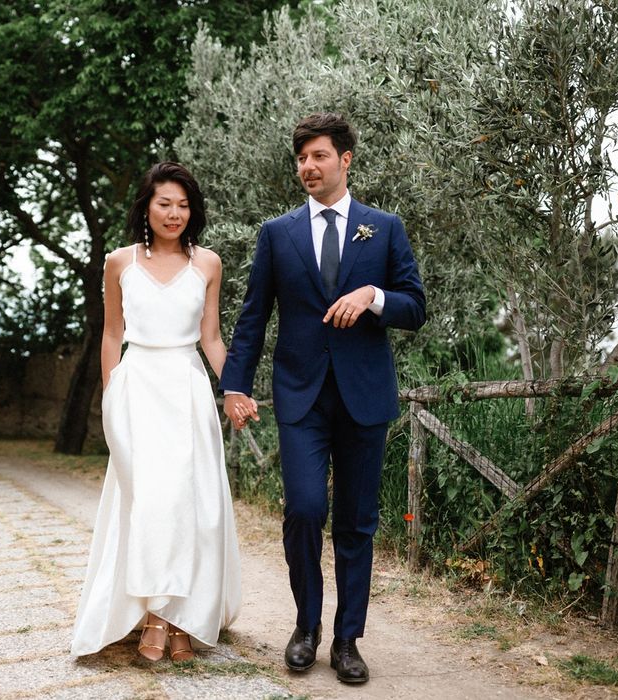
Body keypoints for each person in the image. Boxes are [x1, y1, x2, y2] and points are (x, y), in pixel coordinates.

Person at [220, 113, 425, 684]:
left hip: (365, 396)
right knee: (305, 508)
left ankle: (346, 640)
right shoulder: (277, 233)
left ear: (345, 160)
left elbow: (415, 307)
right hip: (301, 398)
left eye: (319, 157)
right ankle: (305, 626)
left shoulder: (384, 228)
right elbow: (253, 316)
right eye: (302, 158)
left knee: (357, 522)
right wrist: (234, 383)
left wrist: (373, 295)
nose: (308, 167)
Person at [71, 161, 243, 663]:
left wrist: (233, 389)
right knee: (147, 505)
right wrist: (109, 398)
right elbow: (110, 334)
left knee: (192, 506)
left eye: (184, 205)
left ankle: (180, 618)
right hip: (138, 389)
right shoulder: (119, 262)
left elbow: (210, 337)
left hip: (187, 390)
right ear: (146, 206)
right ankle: (152, 615)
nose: (175, 213)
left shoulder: (207, 263)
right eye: (165, 203)